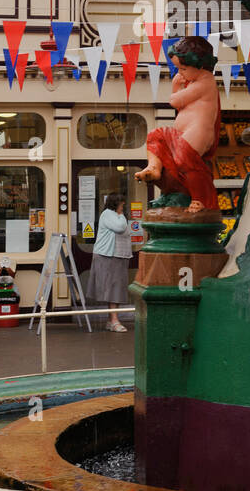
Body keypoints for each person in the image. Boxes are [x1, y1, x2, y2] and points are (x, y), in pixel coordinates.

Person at [135, 36, 221, 211]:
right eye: (177, 68)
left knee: (184, 160)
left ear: (199, 65)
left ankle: (199, 198)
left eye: (183, 68)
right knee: (155, 136)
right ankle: (154, 168)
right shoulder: (192, 80)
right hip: (185, 131)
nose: (180, 73)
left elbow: (176, 101)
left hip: (198, 132)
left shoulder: (206, 81)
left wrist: (176, 86)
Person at [86, 194, 131, 332]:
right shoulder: (108, 214)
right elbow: (121, 227)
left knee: (114, 288)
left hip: (116, 256)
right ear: (116, 204)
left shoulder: (112, 215)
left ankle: (111, 320)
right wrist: (122, 214)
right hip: (108, 256)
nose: (123, 207)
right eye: (122, 205)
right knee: (113, 288)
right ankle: (114, 321)